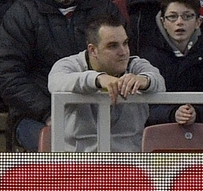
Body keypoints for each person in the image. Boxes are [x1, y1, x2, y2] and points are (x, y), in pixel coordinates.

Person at [0, 0, 121, 151]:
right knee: (60, 154)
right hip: (36, 116)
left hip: (101, 113)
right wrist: (48, 112)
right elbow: (7, 76)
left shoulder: (105, 11)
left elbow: (123, 60)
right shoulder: (21, 14)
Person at [47, 13, 164, 152]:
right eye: (113, 46)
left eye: (125, 43)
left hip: (129, 165)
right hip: (77, 165)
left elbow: (159, 82)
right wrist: (97, 79)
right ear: (93, 50)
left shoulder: (136, 66)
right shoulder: (69, 65)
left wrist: (144, 80)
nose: (123, 52)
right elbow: (56, 82)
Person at [139, 0, 203, 128]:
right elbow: (141, 109)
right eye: (172, 17)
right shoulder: (148, 58)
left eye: (187, 16)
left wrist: (197, 113)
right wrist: (172, 114)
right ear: (163, 22)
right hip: (159, 134)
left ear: (198, 22)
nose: (179, 22)